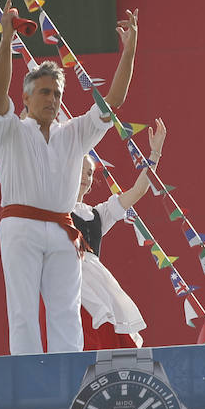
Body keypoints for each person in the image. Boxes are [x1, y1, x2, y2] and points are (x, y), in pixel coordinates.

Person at [0, 0, 140, 354]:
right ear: (25, 97)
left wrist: (129, 53)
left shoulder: (73, 133)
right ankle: (26, 379)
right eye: (44, 92)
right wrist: (5, 38)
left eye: (57, 93)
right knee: (23, 313)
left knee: (66, 314)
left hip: (62, 229)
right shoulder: (10, 129)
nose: (52, 99)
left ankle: (66, 380)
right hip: (20, 226)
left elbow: (112, 101)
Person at [73, 118, 166, 350]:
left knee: (110, 338)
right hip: (70, 283)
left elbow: (138, 191)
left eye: (90, 173)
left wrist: (154, 155)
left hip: (98, 285)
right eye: (81, 171)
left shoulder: (98, 215)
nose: (86, 177)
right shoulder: (54, 210)